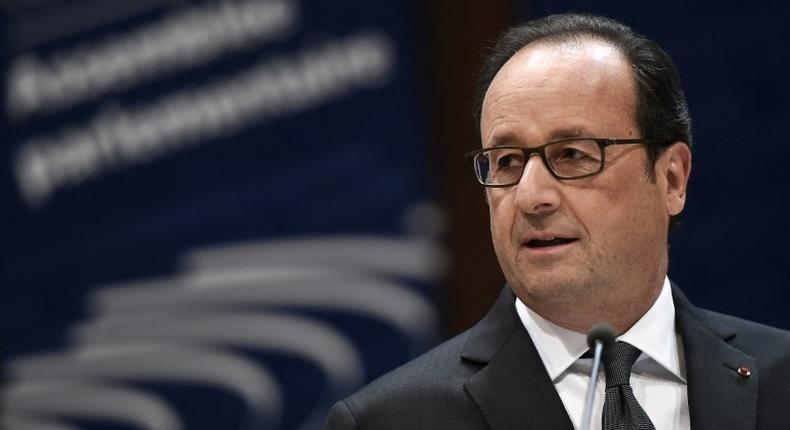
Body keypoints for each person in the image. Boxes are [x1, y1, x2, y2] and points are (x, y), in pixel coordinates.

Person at [325, 13, 790, 430]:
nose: (531, 196)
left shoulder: (781, 378)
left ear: (671, 179)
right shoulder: (391, 421)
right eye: (506, 162)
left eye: (571, 155)